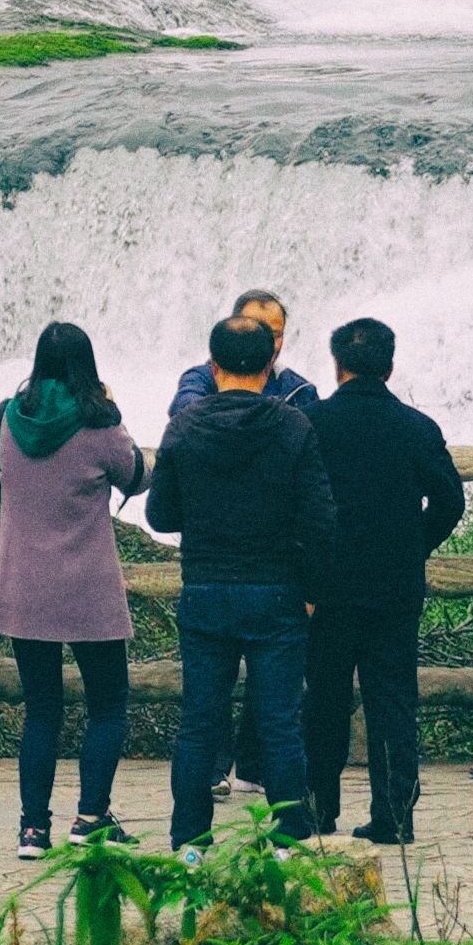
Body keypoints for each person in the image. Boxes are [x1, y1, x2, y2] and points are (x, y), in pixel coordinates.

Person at [147, 314, 332, 848]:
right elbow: (320, 519)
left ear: (213, 365)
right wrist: (313, 592)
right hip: (277, 591)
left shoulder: (184, 426)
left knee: (199, 724)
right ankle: (288, 842)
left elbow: (160, 514)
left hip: (206, 589)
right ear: (271, 362)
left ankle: (190, 844)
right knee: (280, 725)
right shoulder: (294, 426)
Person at [0, 323, 148, 856]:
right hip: (87, 587)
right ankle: (90, 817)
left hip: (24, 587)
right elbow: (137, 477)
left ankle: (32, 829)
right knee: (107, 704)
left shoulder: (6, 416)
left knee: (41, 708)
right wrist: (114, 412)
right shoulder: (99, 422)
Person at [305, 318, 464, 844]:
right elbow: (451, 501)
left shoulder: (311, 424)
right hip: (395, 585)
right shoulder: (416, 427)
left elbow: (296, 505)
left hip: (327, 587)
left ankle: (317, 807)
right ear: (390, 366)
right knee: (393, 699)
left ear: (337, 365)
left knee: (323, 697)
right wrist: (415, 544)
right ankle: (394, 814)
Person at [171, 290, 328, 423]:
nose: (266, 342)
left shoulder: (300, 391)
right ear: (233, 329)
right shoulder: (201, 379)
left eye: (275, 335)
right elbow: (184, 410)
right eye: (255, 332)